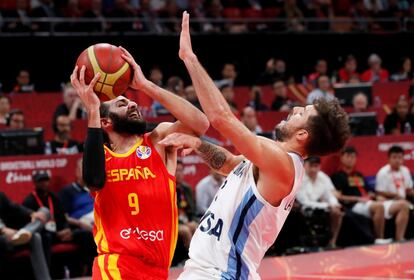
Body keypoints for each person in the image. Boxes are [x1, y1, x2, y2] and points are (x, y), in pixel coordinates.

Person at [158, 12, 350, 279]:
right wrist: (198, 143)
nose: (294, 108)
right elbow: (229, 164)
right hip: (220, 270)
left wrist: (189, 59)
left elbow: (221, 118)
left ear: (303, 134)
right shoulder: (272, 161)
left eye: (301, 112)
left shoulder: (281, 163)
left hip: (219, 273)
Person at [70, 45, 209, 279]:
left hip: (157, 268)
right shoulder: (101, 156)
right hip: (116, 264)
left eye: (131, 102)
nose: (132, 104)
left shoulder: (158, 140)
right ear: (106, 122)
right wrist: (93, 108)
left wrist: (145, 85)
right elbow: (93, 180)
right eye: (122, 104)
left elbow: (200, 124)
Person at [23, 170, 96, 277]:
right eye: (41, 181)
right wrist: (57, 233)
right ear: (35, 183)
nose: (44, 183)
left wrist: (66, 230)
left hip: (59, 232)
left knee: (85, 234)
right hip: (45, 234)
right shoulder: (29, 201)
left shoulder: (53, 197)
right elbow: (31, 225)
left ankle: (85, 271)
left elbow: (62, 217)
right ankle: (45, 274)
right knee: (45, 238)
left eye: (46, 180)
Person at [331, 146, 401, 244]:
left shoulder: (359, 175)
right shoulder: (338, 176)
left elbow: (369, 191)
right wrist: (357, 198)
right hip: (353, 205)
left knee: (385, 205)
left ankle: (394, 238)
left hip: (367, 202)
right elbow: (338, 196)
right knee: (378, 207)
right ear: (342, 158)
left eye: (353, 157)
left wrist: (373, 195)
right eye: (348, 156)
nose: (351, 159)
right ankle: (379, 239)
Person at [0, 192, 50, 280]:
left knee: (44, 212)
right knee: (34, 236)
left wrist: (31, 213)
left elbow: (13, 207)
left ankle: (26, 231)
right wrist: (3, 229)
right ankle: (24, 233)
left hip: (13, 235)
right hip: (2, 237)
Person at [296, 156, 343, 247]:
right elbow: (304, 202)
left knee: (337, 212)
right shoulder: (299, 178)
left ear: (319, 167)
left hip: (321, 206)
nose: (314, 169)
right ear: (305, 165)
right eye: (311, 166)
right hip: (304, 209)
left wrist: (334, 204)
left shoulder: (323, 177)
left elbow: (330, 195)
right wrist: (327, 205)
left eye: (316, 166)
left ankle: (333, 241)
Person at [58, 159, 94, 230]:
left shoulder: (98, 189)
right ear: (77, 172)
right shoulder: (67, 191)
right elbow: (63, 217)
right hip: (81, 228)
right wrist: (79, 223)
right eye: (84, 169)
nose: (88, 172)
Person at [175, 160, 198, 249]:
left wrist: (192, 220)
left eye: (181, 170)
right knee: (185, 230)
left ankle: (202, 256)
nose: (179, 173)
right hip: (175, 222)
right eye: (176, 170)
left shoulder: (186, 188)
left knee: (197, 227)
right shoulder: (166, 188)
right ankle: (190, 258)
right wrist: (184, 223)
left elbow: (193, 210)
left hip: (187, 221)